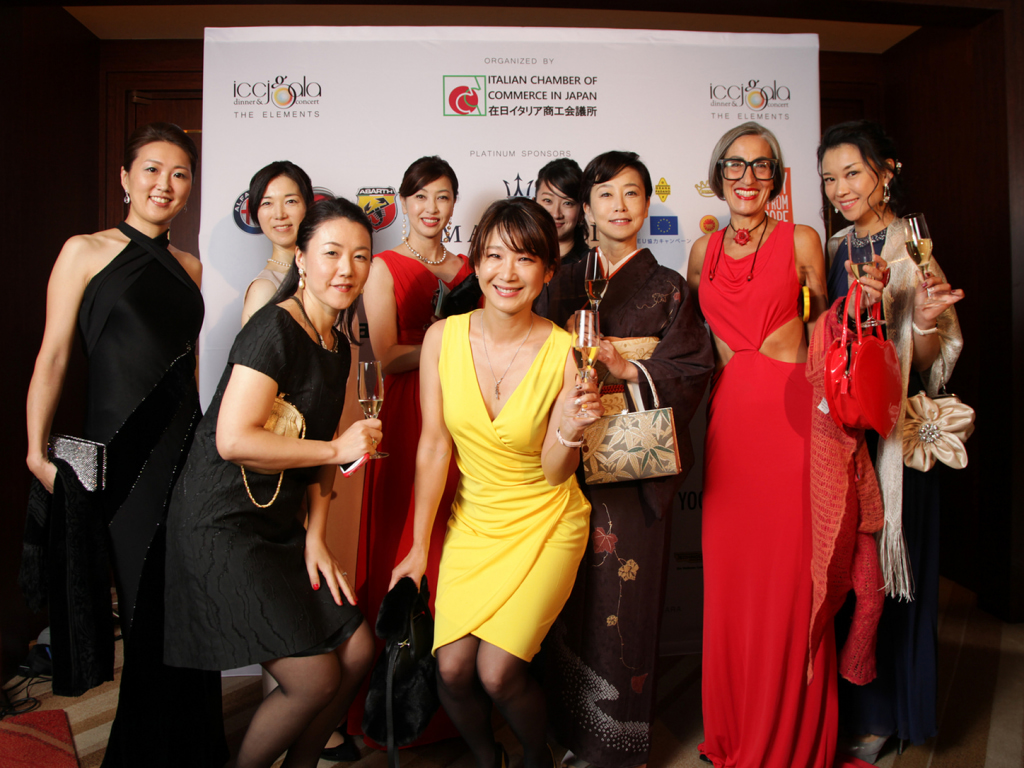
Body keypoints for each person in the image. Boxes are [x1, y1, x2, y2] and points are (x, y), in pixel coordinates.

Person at [24, 122, 227, 766]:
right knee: (142, 604)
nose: (165, 184)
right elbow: (54, 355)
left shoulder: (191, 267)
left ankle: (194, 748)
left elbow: (186, 372)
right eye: (152, 170)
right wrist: (34, 449)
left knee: (188, 600)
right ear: (125, 178)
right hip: (121, 457)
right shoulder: (83, 251)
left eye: (179, 174)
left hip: (186, 453)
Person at [163, 198, 380, 768]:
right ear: (302, 259)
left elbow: (320, 457)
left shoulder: (338, 345)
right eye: (332, 253)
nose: (347, 268)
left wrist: (317, 538)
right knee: (314, 677)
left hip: (280, 525)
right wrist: (337, 448)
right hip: (222, 523)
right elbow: (233, 439)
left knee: (359, 651)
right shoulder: (275, 327)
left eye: (361, 256)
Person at [390, 197, 603, 768]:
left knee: (497, 672)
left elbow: (555, 471)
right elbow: (434, 446)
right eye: (495, 256)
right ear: (477, 262)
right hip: (475, 521)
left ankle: (536, 757)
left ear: (548, 272)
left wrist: (572, 430)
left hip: (546, 520)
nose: (508, 273)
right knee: (453, 669)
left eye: (526, 259)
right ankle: (490, 760)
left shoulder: (566, 353)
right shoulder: (441, 339)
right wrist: (417, 548)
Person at [540, 151, 713, 768]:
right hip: (562, 452)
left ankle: (615, 745)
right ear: (586, 208)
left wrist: (627, 368)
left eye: (632, 192)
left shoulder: (669, 286)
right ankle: (567, 728)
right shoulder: (558, 279)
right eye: (605, 194)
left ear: (646, 204)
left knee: (624, 593)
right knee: (562, 592)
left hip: (630, 460)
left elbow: (692, 368)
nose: (619, 205)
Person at [685, 121, 843, 768]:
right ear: (718, 174)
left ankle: (788, 739)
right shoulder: (701, 251)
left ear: (776, 179)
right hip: (729, 426)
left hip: (790, 426)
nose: (747, 178)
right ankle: (733, 729)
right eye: (735, 165)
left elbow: (826, 329)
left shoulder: (801, 240)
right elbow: (690, 344)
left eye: (761, 166)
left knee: (788, 584)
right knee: (732, 584)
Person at [819, 120, 964, 763]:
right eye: (829, 178)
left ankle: (887, 714)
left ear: (886, 172)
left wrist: (924, 322)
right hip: (841, 437)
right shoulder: (831, 247)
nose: (840, 189)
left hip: (894, 443)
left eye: (852, 172)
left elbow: (931, 361)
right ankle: (844, 704)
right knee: (846, 574)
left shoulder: (913, 245)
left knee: (890, 576)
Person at [350, 155, 472, 745]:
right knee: (400, 542)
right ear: (403, 202)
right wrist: (448, 339)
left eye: (442, 197)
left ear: (453, 204)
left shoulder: (471, 267)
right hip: (405, 416)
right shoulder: (383, 268)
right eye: (420, 196)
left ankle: (446, 707)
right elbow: (383, 354)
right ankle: (389, 703)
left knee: (451, 546)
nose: (431, 208)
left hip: (461, 416)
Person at [241, 160, 315, 325]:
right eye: (267, 203)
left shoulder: (329, 274)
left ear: (308, 206)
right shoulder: (264, 289)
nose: (279, 214)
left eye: (290, 201)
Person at [535, 158, 589, 265]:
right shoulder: (520, 258)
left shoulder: (590, 265)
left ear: (582, 212)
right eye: (548, 201)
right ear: (534, 204)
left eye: (567, 203)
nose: (556, 214)